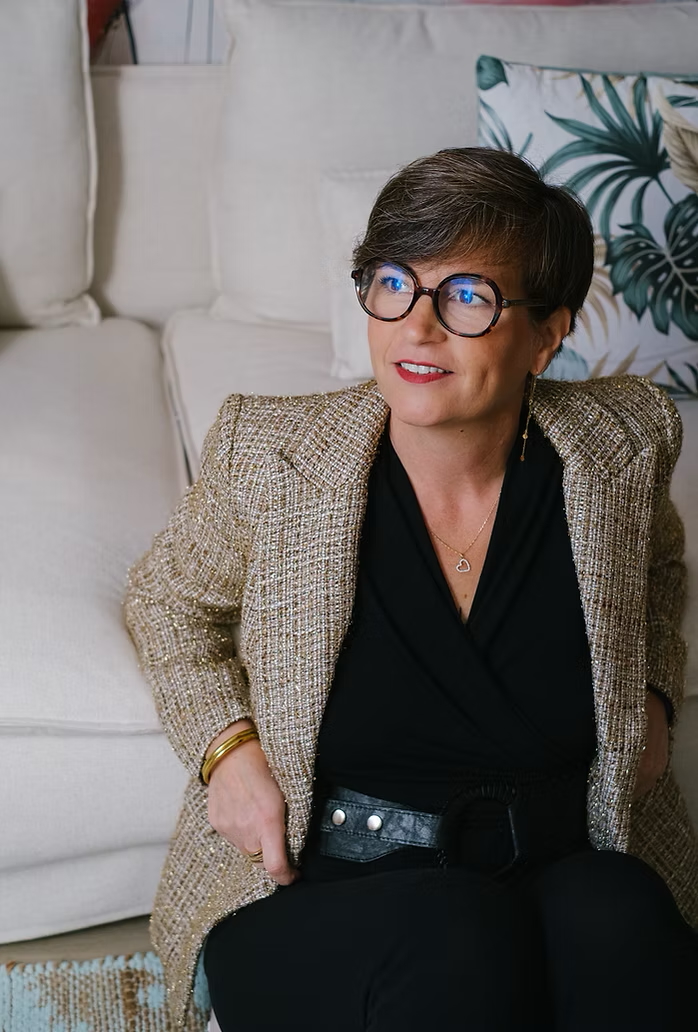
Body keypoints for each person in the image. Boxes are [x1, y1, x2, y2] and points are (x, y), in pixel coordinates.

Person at [124, 147, 698, 1032]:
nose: (416, 327)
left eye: (467, 295)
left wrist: (655, 692)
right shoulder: (272, 455)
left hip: (551, 854)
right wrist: (225, 751)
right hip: (321, 883)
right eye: (394, 282)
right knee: (456, 931)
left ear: (547, 334)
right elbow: (167, 601)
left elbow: (659, 568)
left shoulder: (621, 444)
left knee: (619, 910)